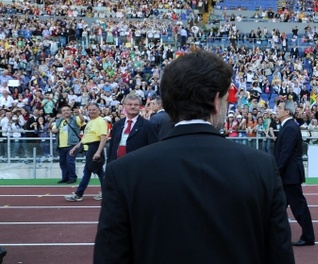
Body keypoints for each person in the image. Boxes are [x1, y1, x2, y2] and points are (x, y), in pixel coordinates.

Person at [94, 50, 294, 264]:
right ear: (216, 101)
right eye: (227, 100)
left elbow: (111, 256)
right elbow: (279, 255)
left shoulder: (123, 171)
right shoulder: (261, 166)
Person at [274, 99, 316, 247]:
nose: (276, 110)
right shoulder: (288, 126)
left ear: (287, 112)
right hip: (288, 175)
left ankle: (308, 236)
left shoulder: (290, 127)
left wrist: (276, 171)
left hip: (289, 175)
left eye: (279, 108)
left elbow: (285, 153)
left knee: (298, 207)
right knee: (278, 207)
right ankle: (274, 236)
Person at [65, 103, 108, 202]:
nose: (92, 111)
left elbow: (103, 138)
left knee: (88, 172)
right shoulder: (90, 122)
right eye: (90, 110)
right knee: (99, 172)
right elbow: (85, 138)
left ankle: (78, 194)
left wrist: (98, 152)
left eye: (94, 109)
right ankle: (107, 192)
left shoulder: (100, 122)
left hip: (94, 148)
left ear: (99, 110)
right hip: (89, 148)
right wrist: (76, 147)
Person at [51, 105, 83, 184]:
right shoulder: (59, 121)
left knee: (70, 161)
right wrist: (53, 130)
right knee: (62, 162)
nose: (66, 112)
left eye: (67, 110)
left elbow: (82, 120)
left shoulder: (75, 119)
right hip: (61, 145)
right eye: (64, 110)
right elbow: (53, 129)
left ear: (70, 111)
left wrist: (79, 113)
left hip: (72, 144)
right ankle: (65, 177)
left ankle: (72, 177)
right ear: (61, 113)